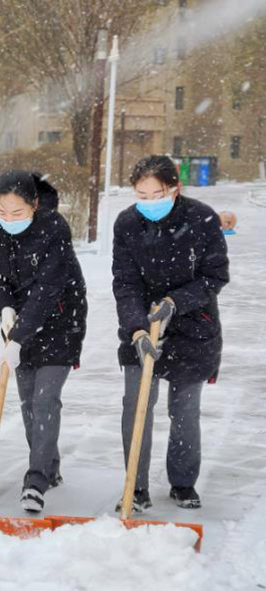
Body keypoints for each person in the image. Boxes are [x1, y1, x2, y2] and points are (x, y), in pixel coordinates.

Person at [112, 154, 229, 511]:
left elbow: (214, 276)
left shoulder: (201, 219)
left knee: (184, 410)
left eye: (156, 194)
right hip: (141, 326)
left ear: (174, 189)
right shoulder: (127, 224)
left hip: (194, 328)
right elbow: (126, 283)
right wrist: (137, 330)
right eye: (141, 196)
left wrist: (174, 302)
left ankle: (182, 482)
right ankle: (136, 486)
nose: (148, 204)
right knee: (137, 407)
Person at [0, 170, 87, 513]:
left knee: (44, 400)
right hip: (18, 323)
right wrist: (5, 306)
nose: (8, 219)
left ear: (34, 206)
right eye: (2, 210)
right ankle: (49, 466)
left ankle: (36, 480)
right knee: (28, 403)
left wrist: (19, 337)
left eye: (17, 212)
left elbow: (47, 289)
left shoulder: (53, 229)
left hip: (60, 320)